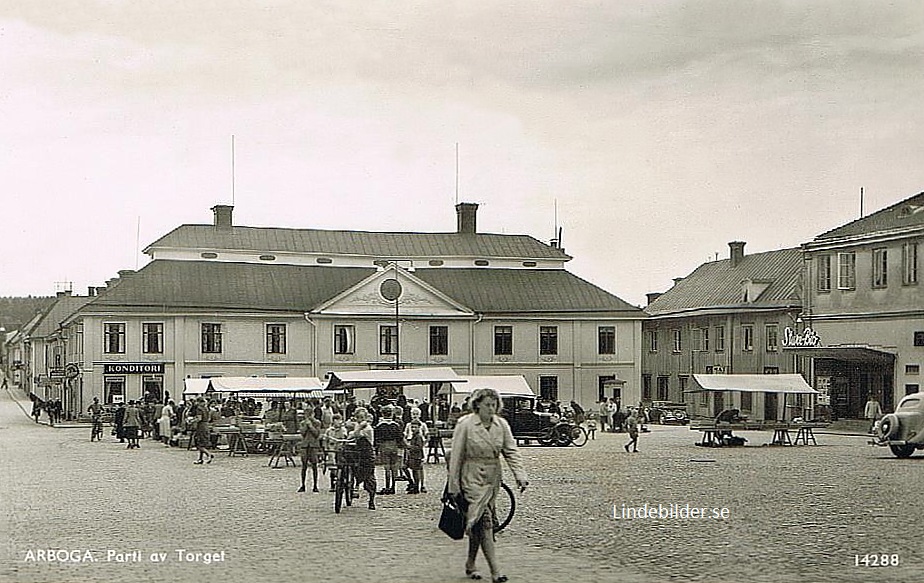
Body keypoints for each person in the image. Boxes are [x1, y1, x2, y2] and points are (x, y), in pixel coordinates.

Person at [448, 387, 528, 583]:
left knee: (476, 522)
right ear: (477, 405)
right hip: (470, 477)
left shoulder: (501, 425)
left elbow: (511, 451)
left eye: (494, 405)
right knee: (485, 522)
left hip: (492, 479)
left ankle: (470, 563)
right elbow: (456, 455)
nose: (491, 409)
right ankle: (496, 572)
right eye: (487, 405)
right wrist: (453, 485)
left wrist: (520, 475)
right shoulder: (465, 424)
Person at [349, 407, 377, 510]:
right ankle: (354, 486)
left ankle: (371, 500)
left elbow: (357, 434)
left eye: (361, 417)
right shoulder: (358, 425)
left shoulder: (368, 428)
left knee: (369, 478)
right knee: (353, 467)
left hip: (367, 453)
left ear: (365, 417)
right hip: (358, 452)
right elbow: (353, 435)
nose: (359, 419)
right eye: (357, 417)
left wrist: (358, 429)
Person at [374, 406, 403, 495]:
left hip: (384, 446)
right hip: (394, 446)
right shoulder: (396, 425)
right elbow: (400, 437)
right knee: (394, 467)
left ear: (382, 414)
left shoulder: (380, 426)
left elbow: (376, 438)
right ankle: (393, 487)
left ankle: (387, 486)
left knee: (386, 467)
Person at [403, 408, 428, 494]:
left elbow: (426, 436)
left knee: (418, 469)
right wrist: (406, 443)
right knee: (407, 467)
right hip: (410, 447)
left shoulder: (422, 426)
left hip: (416, 451)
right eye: (413, 413)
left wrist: (423, 443)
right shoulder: (408, 425)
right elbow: (405, 435)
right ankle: (412, 483)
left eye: (416, 414)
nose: (415, 415)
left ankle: (420, 485)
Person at [297, 411, 322, 493]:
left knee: (314, 465)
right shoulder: (302, 423)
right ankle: (303, 485)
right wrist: (306, 426)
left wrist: (311, 426)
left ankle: (315, 485)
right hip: (305, 445)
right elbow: (302, 433)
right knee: (304, 466)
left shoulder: (317, 422)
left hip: (313, 445)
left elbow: (316, 434)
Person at [191, 398, 214, 464]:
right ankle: (200, 459)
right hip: (206, 425)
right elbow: (209, 418)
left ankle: (208, 455)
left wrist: (191, 421)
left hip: (201, 426)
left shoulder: (199, 409)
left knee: (199, 444)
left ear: (199, 402)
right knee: (202, 443)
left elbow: (199, 418)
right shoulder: (206, 409)